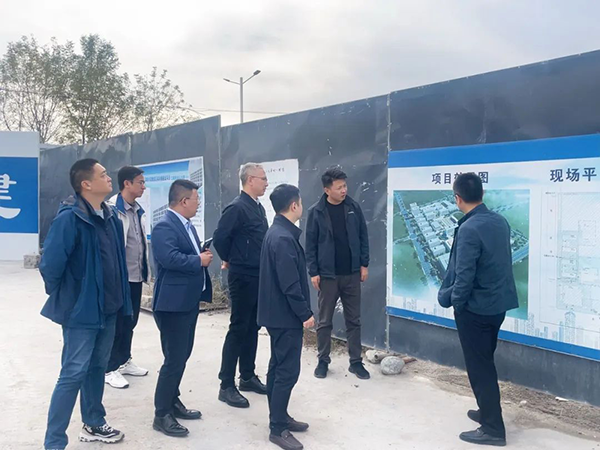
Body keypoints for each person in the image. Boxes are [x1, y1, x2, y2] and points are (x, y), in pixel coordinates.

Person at [40, 159, 131, 449]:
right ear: (86, 184)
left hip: (110, 308)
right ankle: (54, 441)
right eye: (103, 174)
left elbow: (117, 262)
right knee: (72, 373)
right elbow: (50, 266)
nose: (109, 178)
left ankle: (93, 422)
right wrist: (72, 297)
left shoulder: (111, 216)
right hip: (82, 312)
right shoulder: (70, 218)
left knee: (97, 367)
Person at [438, 172, 518, 447]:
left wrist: (458, 305)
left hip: (476, 310)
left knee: (480, 368)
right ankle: (486, 411)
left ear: (457, 199)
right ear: (481, 194)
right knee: (485, 361)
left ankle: (493, 429)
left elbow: (464, 276)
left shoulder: (469, 229)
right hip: (496, 307)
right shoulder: (499, 221)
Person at [151, 179, 213, 438]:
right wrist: (198, 260)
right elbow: (169, 258)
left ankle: (173, 401)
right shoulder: (164, 226)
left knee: (182, 355)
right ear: (184, 201)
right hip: (172, 304)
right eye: (196, 199)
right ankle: (161, 414)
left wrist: (200, 253)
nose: (199, 204)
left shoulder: (186, 225)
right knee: (174, 359)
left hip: (187, 301)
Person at [258, 184, 314, 450]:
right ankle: (277, 428)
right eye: (300, 203)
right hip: (285, 316)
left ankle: (279, 416)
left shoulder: (278, 232)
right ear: (294, 205)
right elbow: (290, 284)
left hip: (277, 314)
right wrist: (305, 314)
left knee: (277, 366)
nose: (301, 206)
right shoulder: (282, 238)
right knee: (287, 371)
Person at [305, 166, 370, 380]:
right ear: (327, 190)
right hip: (327, 276)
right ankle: (323, 361)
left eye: (345, 186)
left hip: (351, 274)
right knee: (324, 321)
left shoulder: (353, 207)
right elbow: (310, 244)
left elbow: (363, 236)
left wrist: (364, 264)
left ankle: (356, 362)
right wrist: (313, 271)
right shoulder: (316, 212)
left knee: (354, 320)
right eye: (339, 187)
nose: (344, 190)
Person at [213, 162, 269, 408]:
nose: (266, 183)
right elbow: (220, 238)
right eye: (263, 178)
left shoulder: (257, 207)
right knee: (238, 328)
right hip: (242, 276)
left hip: (258, 276)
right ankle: (226, 385)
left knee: (253, 327)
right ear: (250, 180)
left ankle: (247, 376)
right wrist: (232, 258)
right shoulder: (237, 208)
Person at [104, 166, 149, 389]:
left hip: (136, 276)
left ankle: (124, 360)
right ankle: (109, 368)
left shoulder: (138, 210)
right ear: (127, 184)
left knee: (131, 321)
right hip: (119, 278)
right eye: (140, 182)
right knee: (118, 323)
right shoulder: (112, 209)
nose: (143, 186)